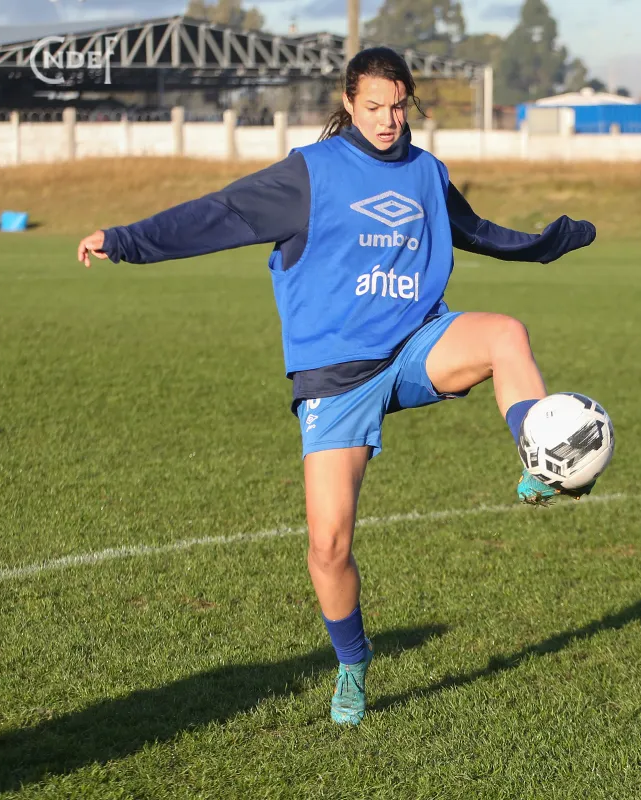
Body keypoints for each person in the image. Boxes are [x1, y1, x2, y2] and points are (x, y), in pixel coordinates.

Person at [75, 48, 597, 727]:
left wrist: (545, 244)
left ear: (410, 103)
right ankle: (352, 664)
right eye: (372, 106)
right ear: (349, 103)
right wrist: (126, 240)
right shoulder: (310, 174)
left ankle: (539, 460)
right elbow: (218, 214)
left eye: (397, 107)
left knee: (505, 334)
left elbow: (476, 232)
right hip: (336, 376)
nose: (386, 120)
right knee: (328, 547)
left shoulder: (426, 172)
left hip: (416, 344)